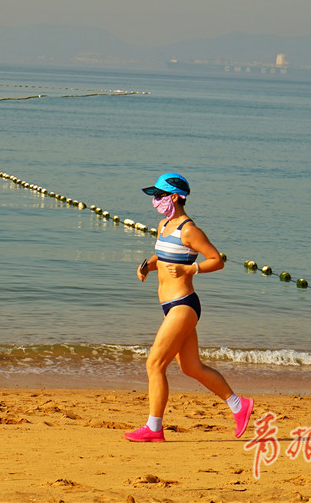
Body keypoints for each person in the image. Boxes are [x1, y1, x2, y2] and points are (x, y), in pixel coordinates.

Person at [124, 172, 253, 443]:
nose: (155, 200)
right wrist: (147, 265)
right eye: (154, 196)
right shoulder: (163, 225)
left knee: (154, 364)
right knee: (191, 367)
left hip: (184, 305)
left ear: (173, 197)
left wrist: (190, 268)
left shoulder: (189, 230)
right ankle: (239, 406)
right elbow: (162, 254)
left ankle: (154, 428)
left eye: (159, 195)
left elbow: (217, 260)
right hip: (170, 306)